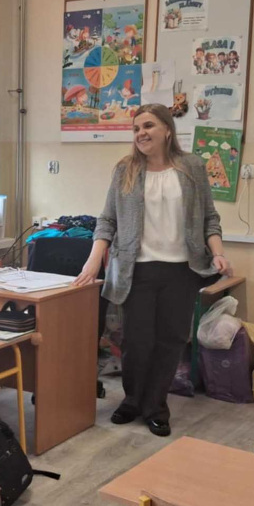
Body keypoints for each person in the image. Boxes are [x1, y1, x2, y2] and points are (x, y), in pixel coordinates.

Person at [75, 103, 232, 436]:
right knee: (137, 341)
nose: (141, 133)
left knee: (170, 341)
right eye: (136, 129)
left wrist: (218, 253)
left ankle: (156, 407)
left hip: (182, 270)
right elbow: (107, 219)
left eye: (148, 126)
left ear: (167, 130)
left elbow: (209, 218)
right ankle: (132, 400)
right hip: (138, 270)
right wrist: (93, 258)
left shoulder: (192, 167)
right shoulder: (126, 169)